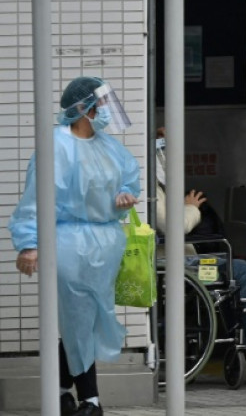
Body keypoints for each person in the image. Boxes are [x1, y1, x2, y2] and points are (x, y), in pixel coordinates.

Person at [9, 76, 139, 416]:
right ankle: (91, 400)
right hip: (67, 244)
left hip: (105, 244)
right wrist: (29, 243)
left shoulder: (110, 147)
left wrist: (125, 195)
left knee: (86, 321)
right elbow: (36, 199)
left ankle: (62, 392)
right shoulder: (56, 146)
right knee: (79, 319)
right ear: (83, 108)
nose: (107, 111)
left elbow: (129, 178)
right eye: (101, 104)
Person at [154, 128, 246, 345]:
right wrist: (191, 207)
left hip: (179, 263)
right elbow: (172, 226)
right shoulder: (151, 188)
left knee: (232, 271)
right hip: (181, 267)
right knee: (241, 271)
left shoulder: (155, 185)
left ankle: (241, 336)